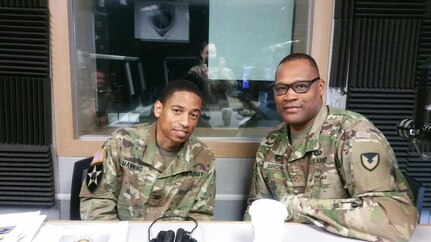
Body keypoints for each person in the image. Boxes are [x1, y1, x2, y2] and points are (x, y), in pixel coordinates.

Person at [244, 53, 418, 241]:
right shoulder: (271, 143)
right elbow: (256, 209)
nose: (290, 96)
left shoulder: (354, 133)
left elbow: (394, 220)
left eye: (301, 86)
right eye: (281, 88)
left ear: (320, 88)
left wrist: (297, 207)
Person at [80, 79, 216, 221]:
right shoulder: (121, 142)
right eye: (177, 111)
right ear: (158, 109)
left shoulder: (203, 156)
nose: (185, 122)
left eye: (193, 115)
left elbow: (200, 215)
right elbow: (95, 203)